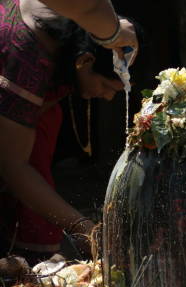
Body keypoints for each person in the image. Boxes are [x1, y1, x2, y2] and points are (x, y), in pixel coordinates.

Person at [0, 0, 139, 263]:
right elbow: (14, 166)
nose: (108, 98)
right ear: (85, 61)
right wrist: (85, 229)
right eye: (106, 86)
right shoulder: (29, 58)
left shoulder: (60, 41)